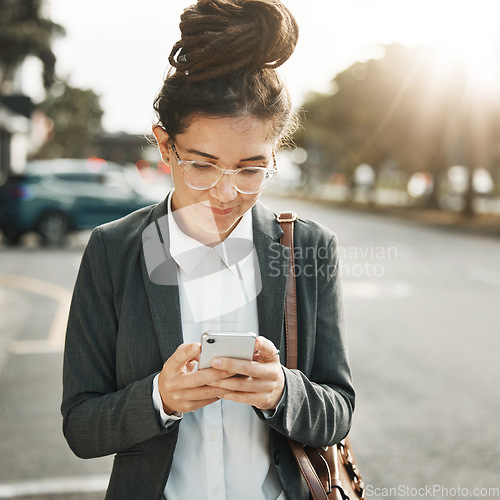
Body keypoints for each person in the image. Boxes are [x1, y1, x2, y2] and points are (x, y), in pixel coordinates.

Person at [61, 1, 355, 499]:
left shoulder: (307, 246)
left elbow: (338, 411)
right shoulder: (113, 250)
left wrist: (283, 391)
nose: (226, 193)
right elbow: (82, 426)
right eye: (202, 165)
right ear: (165, 146)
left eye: (250, 169)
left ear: (274, 156)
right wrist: (160, 396)